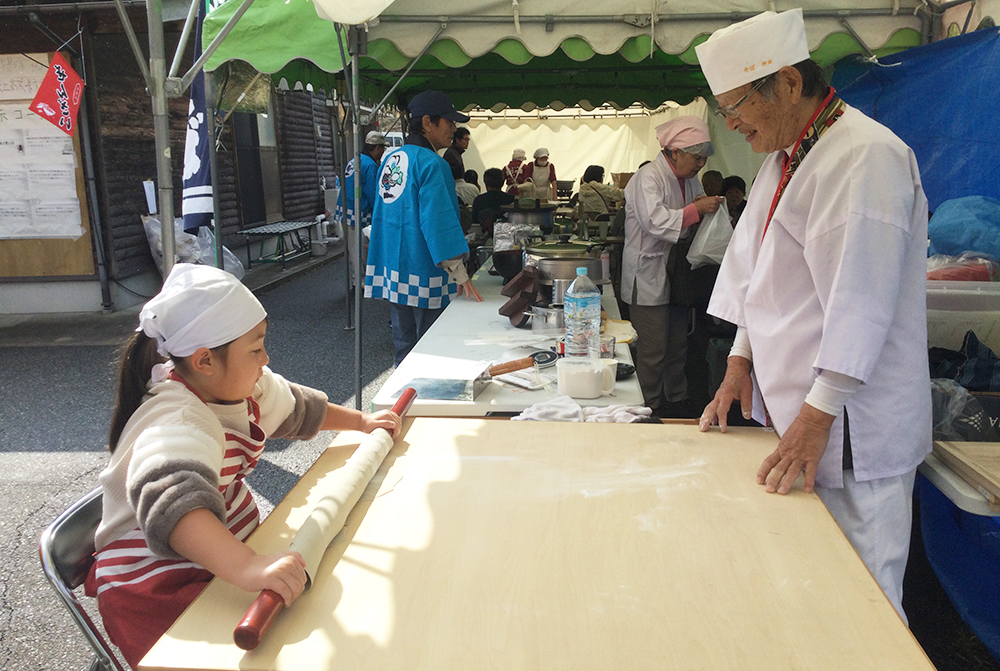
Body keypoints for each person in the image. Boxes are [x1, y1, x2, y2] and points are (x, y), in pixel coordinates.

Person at [695, 9, 931, 620]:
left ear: (790, 84)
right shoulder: (786, 153)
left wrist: (815, 419)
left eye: (737, 105)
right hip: (804, 415)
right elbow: (762, 276)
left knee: (865, 600)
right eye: (723, 111)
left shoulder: (865, 156)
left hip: (852, 428)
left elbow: (861, 303)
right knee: (809, 589)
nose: (732, 124)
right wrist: (738, 361)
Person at [83, 264, 402, 667]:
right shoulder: (177, 419)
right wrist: (248, 567)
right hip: (155, 581)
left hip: (220, 552)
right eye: (255, 349)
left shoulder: (240, 385)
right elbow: (173, 503)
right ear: (204, 361)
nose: (265, 358)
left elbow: (295, 408)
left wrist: (361, 423)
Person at [366, 90, 484, 366]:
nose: (454, 129)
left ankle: (399, 404)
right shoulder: (433, 164)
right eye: (449, 122)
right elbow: (438, 221)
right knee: (432, 350)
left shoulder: (390, 160)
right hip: (424, 269)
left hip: (391, 267)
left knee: (403, 349)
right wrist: (459, 272)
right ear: (428, 122)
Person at [622, 116, 724, 418]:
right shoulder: (648, 178)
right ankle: (650, 404)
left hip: (676, 271)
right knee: (653, 348)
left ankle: (676, 400)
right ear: (675, 152)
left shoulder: (687, 178)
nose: (700, 164)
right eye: (696, 157)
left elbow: (690, 211)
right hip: (649, 270)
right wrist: (696, 210)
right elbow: (655, 221)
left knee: (678, 342)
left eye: (704, 158)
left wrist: (703, 208)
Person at [335, 130, 387, 286]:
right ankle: (361, 282)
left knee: (353, 248)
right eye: (382, 148)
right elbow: (373, 193)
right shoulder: (370, 165)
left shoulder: (354, 161)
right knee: (361, 250)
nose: (383, 152)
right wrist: (380, 211)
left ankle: (356, 279)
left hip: (346, 208)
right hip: (360, 211)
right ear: (377, 148)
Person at [472, 167, 516, 233]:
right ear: (503, 182)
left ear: (485, 183)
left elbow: (474, 223)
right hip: (508, 235)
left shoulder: (479, 200)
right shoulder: (512, 199)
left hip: (483, 237)